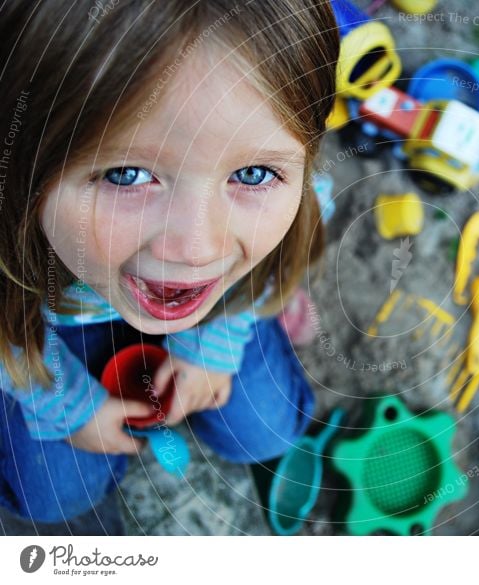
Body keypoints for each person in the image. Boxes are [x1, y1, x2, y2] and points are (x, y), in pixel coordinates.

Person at [0, 0, 339, 531]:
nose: (198, 249)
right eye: (127, 175)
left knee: (266, 433)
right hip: (36, 326)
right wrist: (65, 405)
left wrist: (215, 342)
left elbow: (279, 245)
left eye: (251, 175)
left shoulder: (285, 207)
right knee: (57, 497)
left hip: (221, 304)